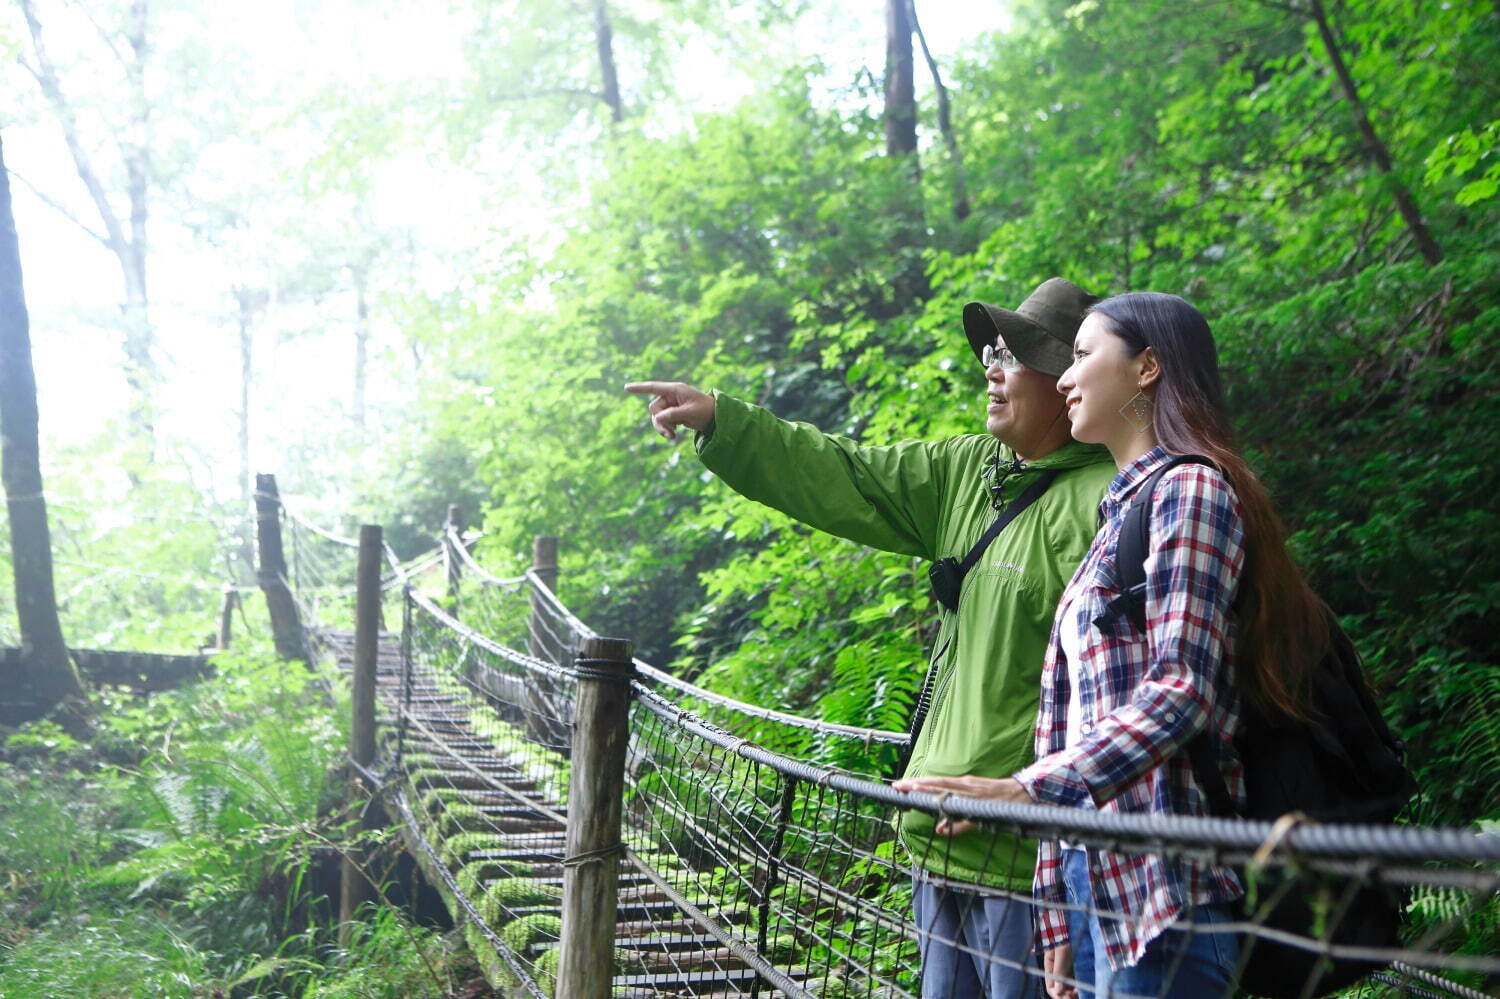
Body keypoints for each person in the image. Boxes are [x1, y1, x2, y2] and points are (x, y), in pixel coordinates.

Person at [626, 277, 1117, 998]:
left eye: (1012, 354)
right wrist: (721, 422)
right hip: (933, 834)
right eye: (991, 352)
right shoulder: (966, 472)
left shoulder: (1112, 497)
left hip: (1028, 863)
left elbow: (1122, 699)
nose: (990, 366)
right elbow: (844, 474)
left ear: (1064, 379)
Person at [896, 292, 1330, 999]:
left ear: (1148, 366)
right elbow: (1064, 722)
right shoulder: (1115, 513)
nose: (1063, 379)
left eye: (1082, 356)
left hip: (1165, 896)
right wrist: (1059, 917)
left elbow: (1181, 689)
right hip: (1093, 888)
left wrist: (1024, 790)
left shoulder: (1191, 490)